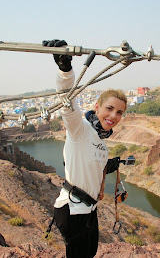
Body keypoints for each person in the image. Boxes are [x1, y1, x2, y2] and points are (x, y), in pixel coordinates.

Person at [43, 39, 127, 258]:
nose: (113, 116)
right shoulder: (80, 129)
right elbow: (67, 103)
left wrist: (107, 166)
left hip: (89, 209)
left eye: (119, 112)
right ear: (97, 107)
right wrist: (65, 70)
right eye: (109, 109)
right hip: (73, 209)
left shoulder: (100, 141)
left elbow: (91, 164)